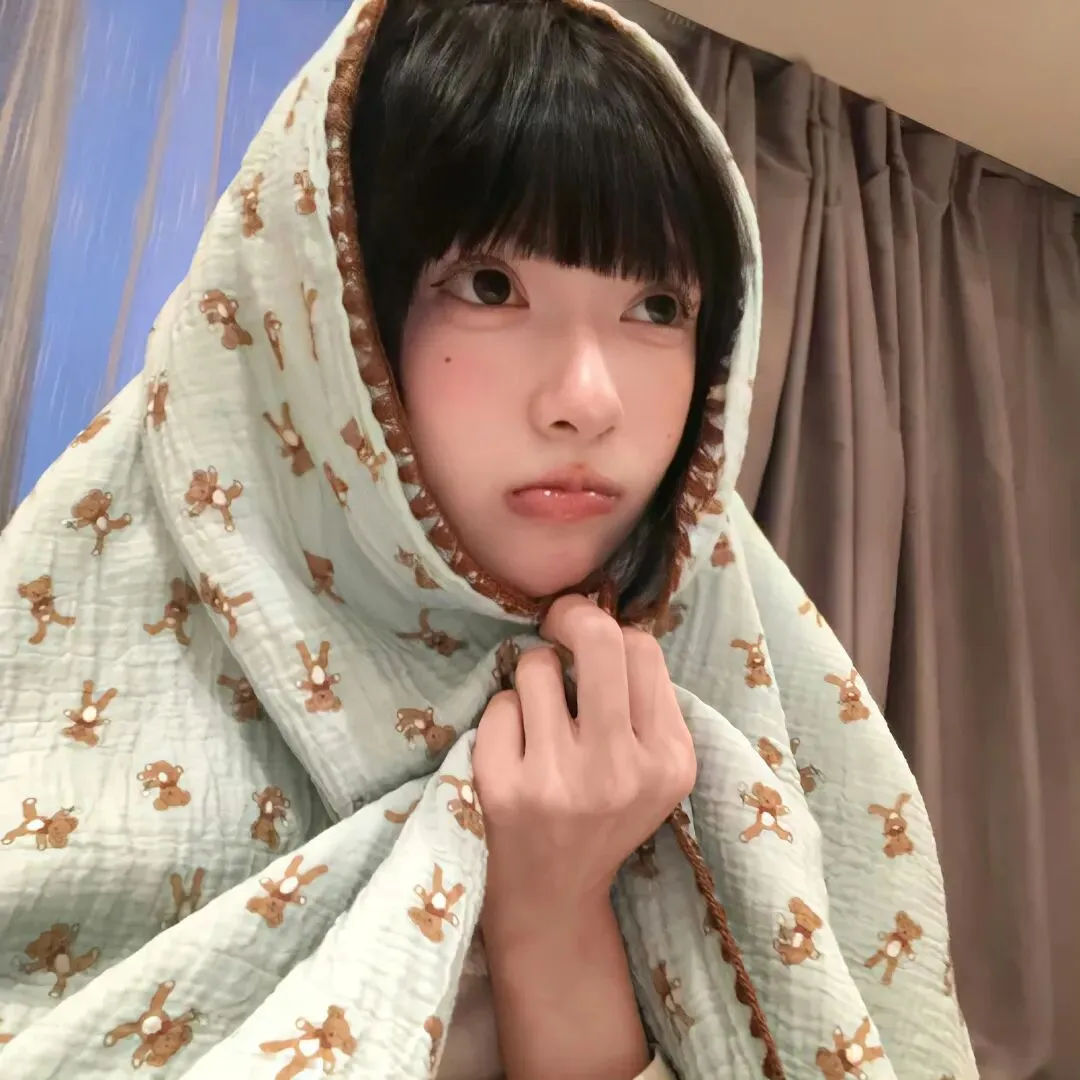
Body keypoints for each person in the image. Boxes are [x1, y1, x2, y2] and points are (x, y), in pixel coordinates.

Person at [0, 0, 977, 1077]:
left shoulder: (750, 692)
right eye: (490, 286)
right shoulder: (72, 708)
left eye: (658, 307)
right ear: (321, 316)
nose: (589, 401)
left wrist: (554, 916)